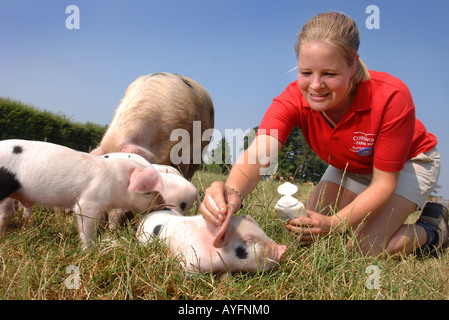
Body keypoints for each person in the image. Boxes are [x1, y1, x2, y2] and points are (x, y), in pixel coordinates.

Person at [200, 12, 448, 257]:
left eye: (329, 74)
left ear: (352, 64)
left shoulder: (391, 96)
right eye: (306, 73)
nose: (315, 86)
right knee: (312, 237)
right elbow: (258, 154)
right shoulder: (293, 99)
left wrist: (335, 224)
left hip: (408, 164)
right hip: (349, 164)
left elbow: (383, 184)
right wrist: (232, 192)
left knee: (362, 249)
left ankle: (434, 229)